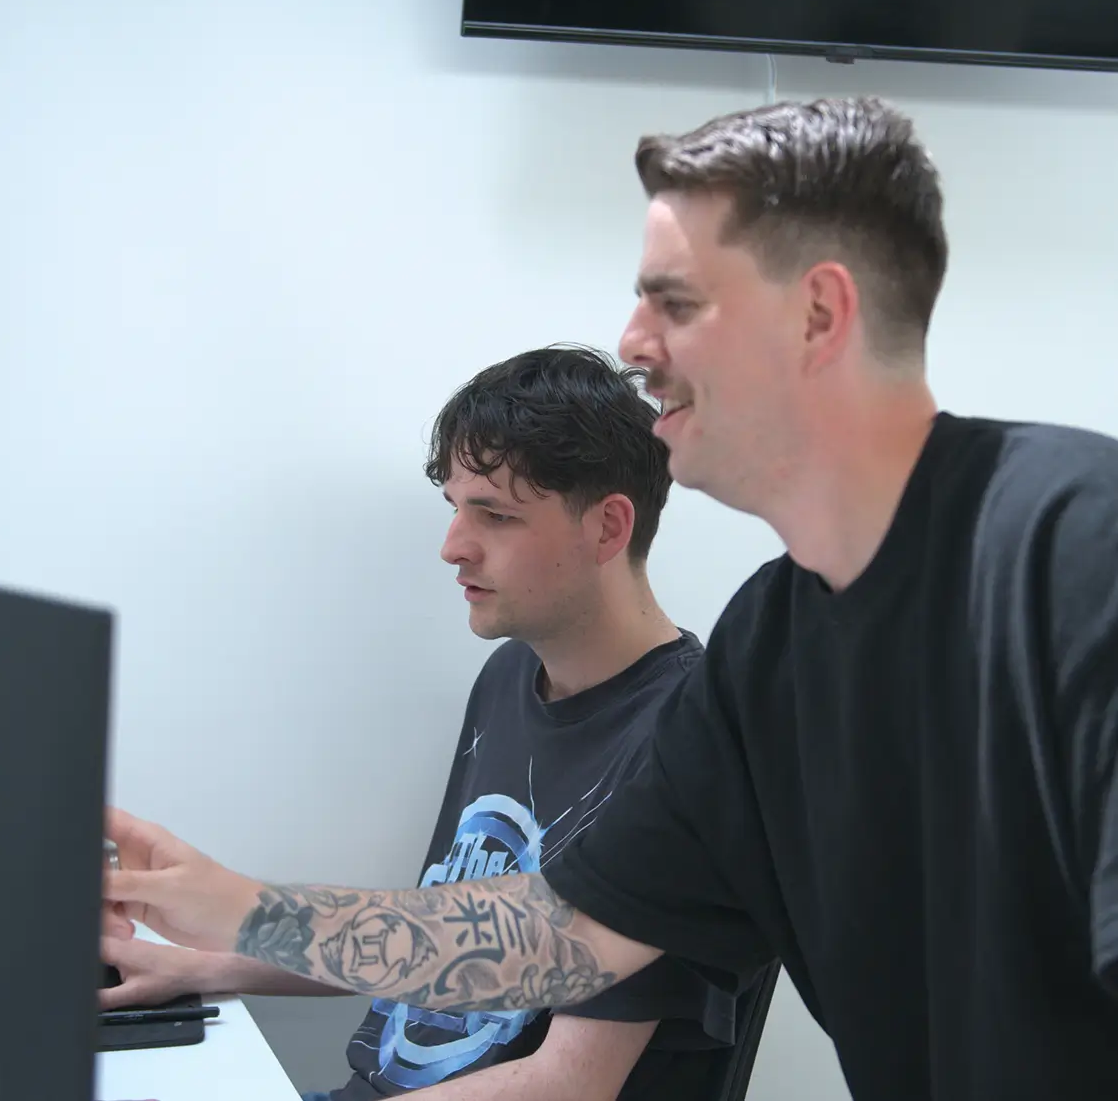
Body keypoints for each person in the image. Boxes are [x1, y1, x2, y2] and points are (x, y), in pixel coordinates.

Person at [103, 95, 1118, 1100]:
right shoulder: (767, 648)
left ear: (817, 315)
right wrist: (241, 914)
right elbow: (552, 940)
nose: (634, 344)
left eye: (673, 303)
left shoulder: (1076, 547)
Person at [102, 346, 771, 1100]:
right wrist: (206, 966)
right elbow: (436, 942)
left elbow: (566, 1086)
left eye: (494, 514)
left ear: (608, 528)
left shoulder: (685, 745)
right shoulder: (510, 676)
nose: (453, 546)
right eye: (454, 508)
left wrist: (239, 909)